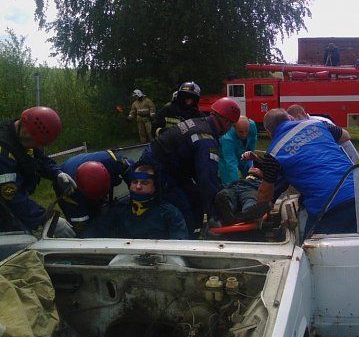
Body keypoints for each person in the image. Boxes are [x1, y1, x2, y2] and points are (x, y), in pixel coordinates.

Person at [139, 97, 241, 234]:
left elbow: (198, 170)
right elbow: (207, 178)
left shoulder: (198, 122)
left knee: (195, 197)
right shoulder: (207, 140)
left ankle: (195, 230)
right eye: (231, 125)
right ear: (226, 122)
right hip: (160, 170)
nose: (229, 129)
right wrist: (216, 213)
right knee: (185, 210)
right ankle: (186, 241)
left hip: (167, 164)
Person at [252, 108, 356, 237]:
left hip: (329, 204)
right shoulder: (317, 124)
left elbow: (265, 192)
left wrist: (257, 217)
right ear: (290, 118)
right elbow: (346, 135)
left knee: (309, 248)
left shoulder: (273, 153)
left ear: (268, 132)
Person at [0, 107, 76, 235]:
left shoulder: (22, 137)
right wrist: (46, 219)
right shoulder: (3, 153)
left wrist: (57, 173)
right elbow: (13, 198)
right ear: (25, 132)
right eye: (35, 143)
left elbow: (39, 159)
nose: (36, 147)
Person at [83, 163, 188, 239]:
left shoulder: (170, 213)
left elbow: (179, 243)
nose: (138, 186)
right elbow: (95, 231)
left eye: (144, 183)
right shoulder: (118, 208)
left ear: (155, 187)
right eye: (134, 182)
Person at [54, 151, 132, 232]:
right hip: (66, 181)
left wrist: (136, 194)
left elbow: (131, 171)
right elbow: (82, 228)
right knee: (84, 227)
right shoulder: (69, 191)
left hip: (85, 168)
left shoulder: (112, 160)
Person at [287, 104, 359, 163]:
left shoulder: (320, 122)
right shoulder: (307, 123)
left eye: (295, 120)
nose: (294, 124)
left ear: (301, 114)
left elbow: (345, 137)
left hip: (346, 154)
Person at [219, 116, 258, 186]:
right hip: (227, 157)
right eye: (240, 132)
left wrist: (250, 154)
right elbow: (231, 163)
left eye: (246, 131)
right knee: (230, 183)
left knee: (252, 174)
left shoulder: (252, 125)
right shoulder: (227, 138)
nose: (244, 134)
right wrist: (237, 186)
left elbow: (253, 140)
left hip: (243, 152)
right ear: (234, 128)